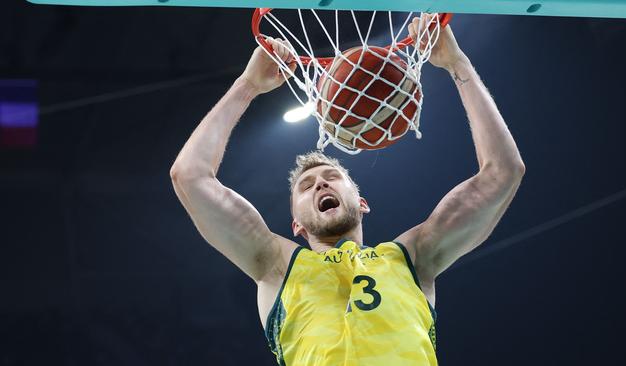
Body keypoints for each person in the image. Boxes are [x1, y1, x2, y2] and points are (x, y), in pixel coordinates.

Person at [170, 14, 525, 366]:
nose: (320, 183)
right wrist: (247, 86)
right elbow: (190, 176)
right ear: (298, 226)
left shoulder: (412, 258)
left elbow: (502, 173)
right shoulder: (276, 266)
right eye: (306, 187)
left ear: (362, 202)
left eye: (331, 177)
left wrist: (456, 64)